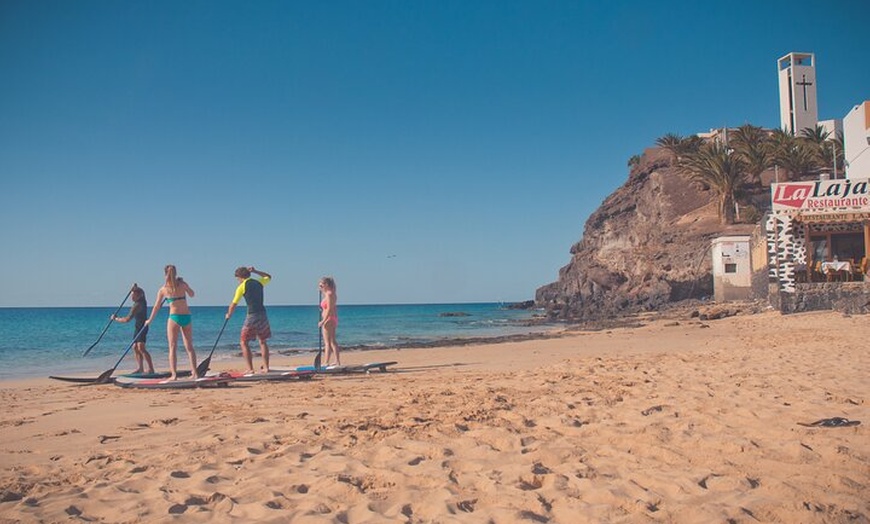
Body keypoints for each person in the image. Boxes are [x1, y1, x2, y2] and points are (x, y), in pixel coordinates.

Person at [145, 265, 199, 380]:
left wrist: (150, 320)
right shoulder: (182, 284)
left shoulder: (163, 289)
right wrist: (185, 284)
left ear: (165, 274)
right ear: (175, 273)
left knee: (172, 347)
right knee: (189, 346)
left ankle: (174, 375)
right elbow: (192, 294)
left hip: (174, 317)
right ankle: (195, 372)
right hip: (186, 316)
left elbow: (156, 307)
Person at [226, 266, 273, 374]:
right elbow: (268, 276)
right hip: (262, 314)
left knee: (243, 342)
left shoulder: (242, 286)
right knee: (262, 341)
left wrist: (229, 314)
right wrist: (256, 271)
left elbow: (234, 303)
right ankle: (266, 367)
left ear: (240, 277)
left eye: (237, 278)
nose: (237, 280)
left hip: (252, 315)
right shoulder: (258, 282)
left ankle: (250, 369)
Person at [112, 284, 155, 374]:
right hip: (137, 327)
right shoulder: (142, 300)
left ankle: (151, 369)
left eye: (133, 295)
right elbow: (142, 292)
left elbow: (127, 319)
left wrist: (115, 318)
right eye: (131, 295)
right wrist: (135, 287)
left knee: (141, 348)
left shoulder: (138, 305)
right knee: (135, 347)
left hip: (143, 327)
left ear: (138, 296)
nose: (131, 297)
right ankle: (140, 368)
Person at [318, 276, 341, 367]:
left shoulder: (329, 294)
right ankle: (337, 361)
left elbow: (329, 309)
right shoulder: (331, 293)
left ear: (326, 284)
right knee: (332, 341)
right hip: (331, 318)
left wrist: (323, 321)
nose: (320, 287)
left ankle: (326, 362)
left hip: (329, 319)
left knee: (328, 342)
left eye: (321, 285)